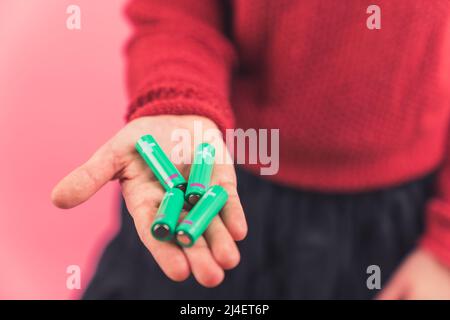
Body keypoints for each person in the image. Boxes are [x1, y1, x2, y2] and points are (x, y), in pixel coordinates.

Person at [51, 0, 450, 299]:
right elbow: (178, 11)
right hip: (224, 173)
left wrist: (444, 250)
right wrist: (179, 104)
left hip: (394, 220)